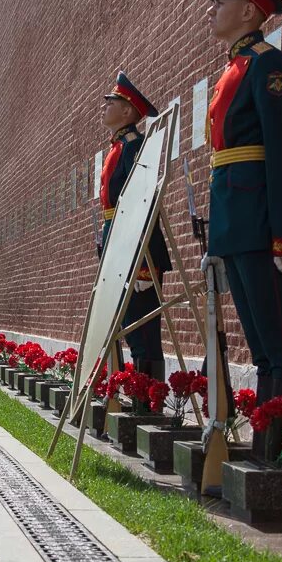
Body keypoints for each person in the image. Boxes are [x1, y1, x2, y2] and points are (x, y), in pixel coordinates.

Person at [202, 0, 282, 461]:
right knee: (263, 350)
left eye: (221, 1)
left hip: (265, 227)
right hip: (235, 225)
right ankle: (266, 452)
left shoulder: (270, 65)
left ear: (248, 10)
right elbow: (224, 158)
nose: (213, 10)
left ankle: (280, 455)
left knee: (281, 347)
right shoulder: (236, 67)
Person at [99, 72, 171, 381]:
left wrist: (144, 264)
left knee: (143, 331)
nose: (105, 107)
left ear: (128, 111)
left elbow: (142, 205)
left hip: (137, 250)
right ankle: (136, 392)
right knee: (127, 327)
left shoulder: (135, 146)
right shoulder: (117, 148)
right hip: (118, 247)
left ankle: (148, 399)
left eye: (111, 102)